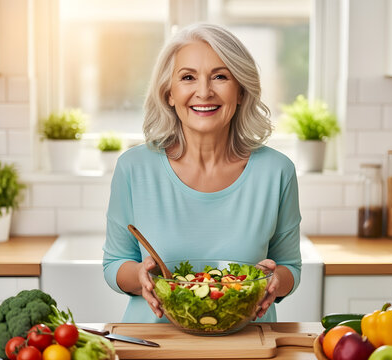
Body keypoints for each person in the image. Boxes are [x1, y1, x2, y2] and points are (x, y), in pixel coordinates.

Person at [102, 23, 302, 323]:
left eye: (220, 76)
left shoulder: (277, 172)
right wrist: (139, 276)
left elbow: (289, 266)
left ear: (240, 92)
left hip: (248, 344)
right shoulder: (134, 168)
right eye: (188, 77)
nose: (204, 92)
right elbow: (114, 264)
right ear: (170, 93)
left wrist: (275, 281)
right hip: (154, 344)